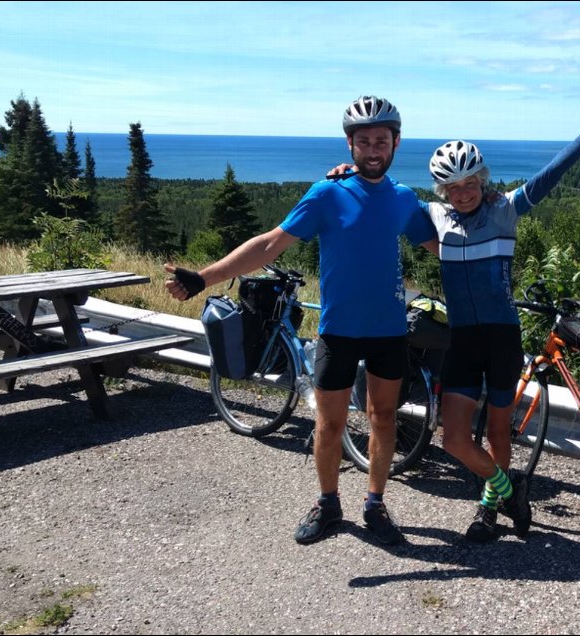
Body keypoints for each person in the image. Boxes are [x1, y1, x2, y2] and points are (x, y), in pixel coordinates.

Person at [165, 95, 436, 547]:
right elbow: (270, 244)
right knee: (329, 424)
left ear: (396, 144)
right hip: (338, 331)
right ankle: (328, 503)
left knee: (383, 418)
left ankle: (375, 503)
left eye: (381, 141)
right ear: (350, 145)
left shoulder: (405, 200)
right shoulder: (328, 193)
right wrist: (204, 277)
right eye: (364, 141)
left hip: (389, 330)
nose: (373, 149)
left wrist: (493, 239)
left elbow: (447, 248)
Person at [426, 91, 580, 542]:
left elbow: (550, 176)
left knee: (499, 432)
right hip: (462, 339)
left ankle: (488, 511)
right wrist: (349, 173)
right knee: (454, 441)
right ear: (443, 191)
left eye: (471, 183)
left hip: (502, 336)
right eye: (454, 188)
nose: (463, 194)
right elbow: (383, 200)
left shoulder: (504, 209)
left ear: (482, 180)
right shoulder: (436, 217)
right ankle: (509, 490)